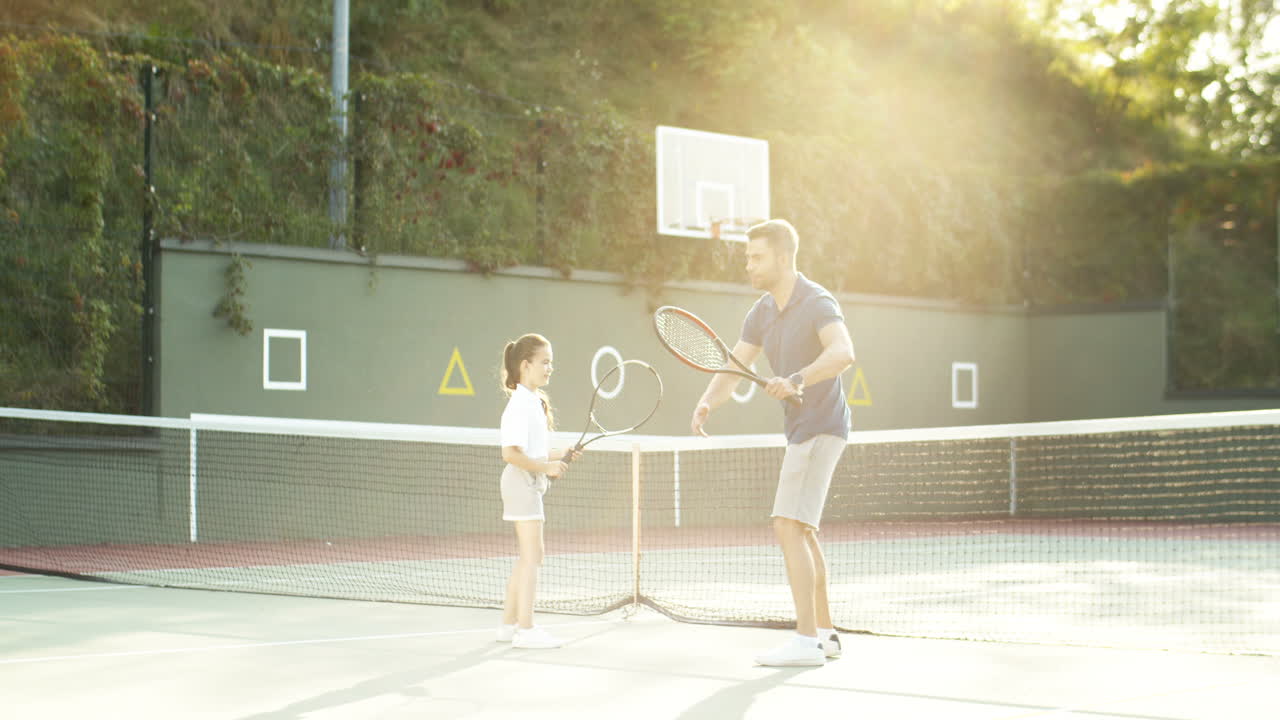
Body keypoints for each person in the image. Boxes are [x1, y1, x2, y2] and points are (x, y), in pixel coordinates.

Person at [690, 219, 855, 667]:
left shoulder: (817, 301)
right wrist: (708, 402)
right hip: (804, 430)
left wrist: (798, 378)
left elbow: (843, 353)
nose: (749, 265)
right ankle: (825, 633)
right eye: (748, 257)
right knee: (801, 529)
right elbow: (733, 366)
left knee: (785, 524)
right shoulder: (761, 312)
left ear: (784, 258)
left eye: (757, 257)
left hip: (822, 425)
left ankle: (804, 643)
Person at [496, 333, 580, 649]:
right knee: (534, 556)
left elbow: (536, 451)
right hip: (521, 484)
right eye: (545, 362)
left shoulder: (532, 402)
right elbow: (511, 453)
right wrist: (547, 468)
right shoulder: (520, 405)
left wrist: (561, 454)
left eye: (551, 363)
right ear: (525, 365)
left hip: (525, 483)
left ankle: (507, 626)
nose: (549, 368)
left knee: (528, 557)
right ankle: (526, 630)